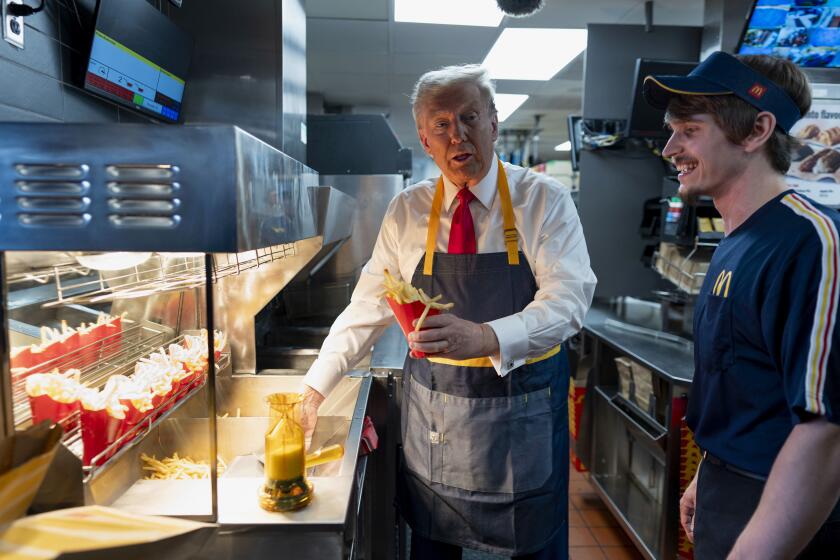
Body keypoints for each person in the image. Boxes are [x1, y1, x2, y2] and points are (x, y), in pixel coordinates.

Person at [300, 64, 596, 559]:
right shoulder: (406, 211)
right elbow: (368, 305)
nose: (457, 134)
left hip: (521, 420)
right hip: (440, 426)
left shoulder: (543, 200)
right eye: (441, 124)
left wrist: (486, 336)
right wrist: (313, 388)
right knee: (435, 546)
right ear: (424, 138)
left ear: (494, 123)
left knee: (532, 545)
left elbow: (568, 303)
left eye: (470, 117)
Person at [644, 51, 840, 559]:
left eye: (688, 129)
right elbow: (749, 384)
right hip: (729, 491)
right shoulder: (736, 240)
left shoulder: (810, 241)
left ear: (756, 131)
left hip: (788, 510)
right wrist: (709, 476)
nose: (670, 148)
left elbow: (826, 427)